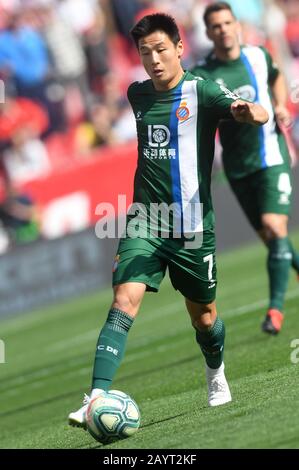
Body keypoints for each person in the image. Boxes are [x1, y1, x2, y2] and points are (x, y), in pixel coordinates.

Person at [68, 12, 268, 428]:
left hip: (193, 228)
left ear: (179, 48)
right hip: (147, 220)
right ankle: (98, 396)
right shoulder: (137, 94)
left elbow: (253, 111)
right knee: (124, 300)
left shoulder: (204, 91)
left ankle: (216, 372)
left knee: (205, 317)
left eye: (161, 50)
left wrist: (250, 112)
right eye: (145, 53)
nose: (154, 59)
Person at [191, 2, 299, 336]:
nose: (223, 30)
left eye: (227, 23)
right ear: (208, 33)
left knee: (274, 225)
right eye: (216, 26)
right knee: (271, 238)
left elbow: (277, 76)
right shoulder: (203, 74)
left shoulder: (258, 56)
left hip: (271, 156)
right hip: (238, 167)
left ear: (237, 25)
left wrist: (280, 105)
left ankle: (275, 311)